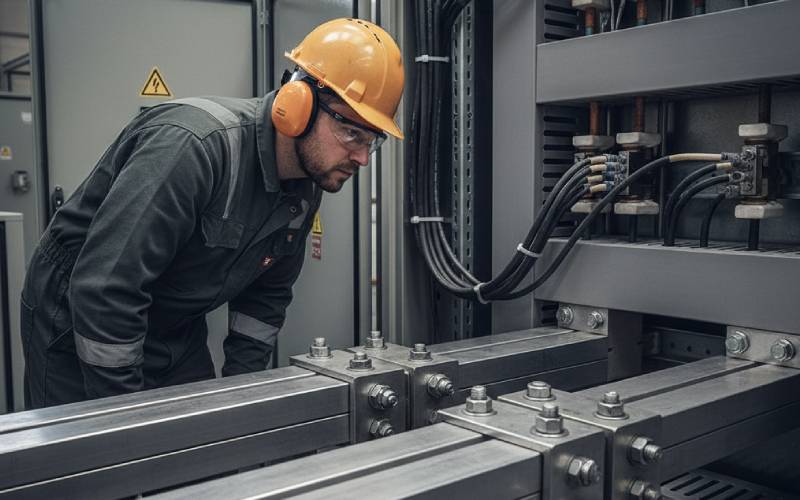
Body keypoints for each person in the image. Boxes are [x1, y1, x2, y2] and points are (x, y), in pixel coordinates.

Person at [20, 18, 404, 408]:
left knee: (201, 430)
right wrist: (126, 418)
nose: (362, 158)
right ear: (297, 104)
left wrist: (243, 394)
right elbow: (107, 288)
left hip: (175, 324)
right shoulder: (192, 148)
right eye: (352, 133)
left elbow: (265, 298)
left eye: (372, 141)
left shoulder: (304, 186)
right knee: (98, 442)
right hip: (79, 320)